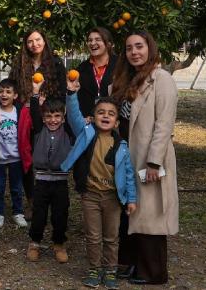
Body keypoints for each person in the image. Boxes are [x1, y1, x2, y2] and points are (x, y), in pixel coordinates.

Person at [111, 31, 178, 285]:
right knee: (130, 210)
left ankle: (153, 272)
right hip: (128, 154)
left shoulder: (161, 79)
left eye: (139, 46)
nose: (134, 52)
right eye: (129, 48)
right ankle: (129, 263)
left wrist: (154, 162)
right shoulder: (126, 79)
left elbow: (164, 124)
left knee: (150, 215)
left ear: (150, 47)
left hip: (149, 157)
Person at [61, 79, 138, 290]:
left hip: (113, 198)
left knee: (112, 237)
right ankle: (94, 270)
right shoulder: (86, 134)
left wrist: (131, 198)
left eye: (110, 114)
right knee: (93, 236)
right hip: (91, 195)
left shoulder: (121, 145)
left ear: (116, 122)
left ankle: (110, 270)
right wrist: (71, 93)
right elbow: (75, 115)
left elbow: (129, 174)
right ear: (94, 117)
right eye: (101, 112)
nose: (105, 116)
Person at [8, 29, 67, 219]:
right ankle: (32, 201)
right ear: (26, 44)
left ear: (44, 40)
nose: (35, 44)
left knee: (47, 155)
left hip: (48, 116)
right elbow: (11, 88)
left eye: (38, 39)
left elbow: (61, 92)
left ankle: (51, 199)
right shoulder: (19, 65)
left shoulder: (56, 63)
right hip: (25, 116)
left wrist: (47, 104)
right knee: (26, 156)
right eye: (30, 41)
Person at [25, 78, 76, 264]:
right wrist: (35, 92)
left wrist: (71, 93)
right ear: (43, 117)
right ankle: (35, 242)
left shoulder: (68, 131)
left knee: (60, 214)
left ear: (63, 117)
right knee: (39, 215)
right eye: (48, 116)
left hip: (60, 182)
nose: (52, 120)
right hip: (41, 182)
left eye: (57, 116)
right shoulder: (39, 130)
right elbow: (33, 112)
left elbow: (74, 115)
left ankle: (59, 243)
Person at [0, 78, 30, 230]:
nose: (4, 95)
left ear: (15, 95)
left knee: (16, 187)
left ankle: (18, 212)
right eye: (1, 91)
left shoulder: (20, 112)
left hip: (16, 157)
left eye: (8, 92)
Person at [77, 28, 118, 119]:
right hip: (88, 123)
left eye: (98, 39)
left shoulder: (120, 65)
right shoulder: (81, 69)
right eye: (90, 40)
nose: (92, 43)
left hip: (114, 123)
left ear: (108, 44)